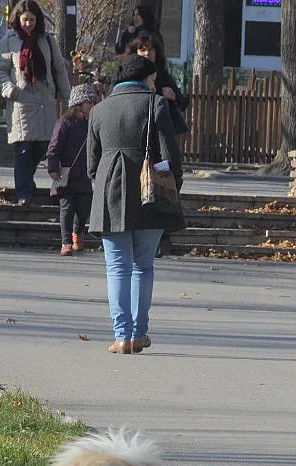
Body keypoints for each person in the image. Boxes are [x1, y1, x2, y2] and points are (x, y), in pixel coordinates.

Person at [87, 55, 184, 354]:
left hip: (109, 192)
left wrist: (103, 182)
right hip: (150, 193)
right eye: (154, 81)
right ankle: (139, 334)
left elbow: (92, 163)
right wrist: (171, 184)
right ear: (145, 79)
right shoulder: (156, 105)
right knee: (144, 266)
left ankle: (121, 336)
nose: (155, 85)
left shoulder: (99, 110)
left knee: (117, 268)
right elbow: (171, 155)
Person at [0, 0, 71, 206]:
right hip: (21, 102)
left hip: (45, 101)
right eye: (25, 19)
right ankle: (24, 193)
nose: (28, 24)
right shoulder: (9, 40)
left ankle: (27, 183)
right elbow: (0, 69)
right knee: (24, 149)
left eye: (32, 20)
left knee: (43, 147)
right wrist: (9, 88)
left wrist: (67, 97)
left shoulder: (47, 40)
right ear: (18, 19)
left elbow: (59, 70)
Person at [128, 31, 189, 258]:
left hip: (165, 134)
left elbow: (182, 101)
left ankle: (162, 231)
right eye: (142, 49)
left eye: (150, 49)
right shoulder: (129, 74)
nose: (146, 53)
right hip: (141, 135)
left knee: (167, 176)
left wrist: (173, 96)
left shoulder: (163, 74)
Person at [46, 83, 99, 256]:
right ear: (78, 103)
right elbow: (54, 147)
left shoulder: (94, 123)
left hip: (86, 175)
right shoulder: (65, 123)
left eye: (93, 102)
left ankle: (78, 231)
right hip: (67, 174)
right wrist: (53, 167)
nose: (92, 105)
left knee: (84, 208)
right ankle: (66, 241)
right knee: (67, 208)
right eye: (89, 102)